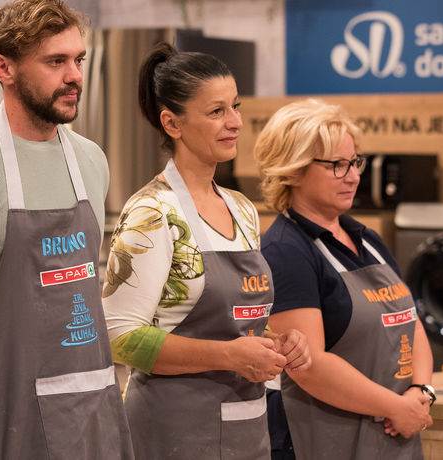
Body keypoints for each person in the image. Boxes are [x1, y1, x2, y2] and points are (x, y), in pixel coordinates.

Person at [0, 0, 133, 458]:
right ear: (3, 68)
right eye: (55, 62)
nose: (74, 76)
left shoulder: (91, 160)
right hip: (2, 412)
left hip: (90, 405)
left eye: (78, 59)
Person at [101, 42, 312, 460]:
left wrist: (278, 343)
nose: (235, 122)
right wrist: (229, 356)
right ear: (172, 123)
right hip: (172, 432)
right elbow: (119, 336)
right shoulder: (152, 212)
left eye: (235, 107)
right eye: (216, 112)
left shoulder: (242, 209)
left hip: (245, 428)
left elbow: (233, 327)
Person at [252, 99, 434, 459]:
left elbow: (411, 324)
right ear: (294, 170)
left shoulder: (368, 240)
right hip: (323, 441)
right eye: (336, 165)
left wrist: (421, 390)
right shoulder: (286, 251)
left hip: (393, 434)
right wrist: (395, 407)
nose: (353, 176)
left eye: (355, 162)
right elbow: (310, 367)